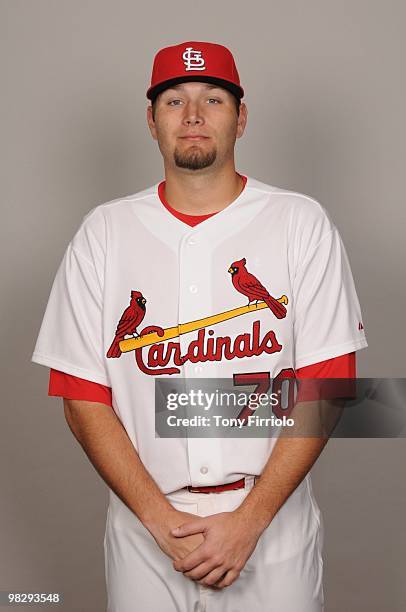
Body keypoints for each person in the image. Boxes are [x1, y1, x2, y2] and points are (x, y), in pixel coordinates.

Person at [32, 40, 368, 611]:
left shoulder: (298, 221)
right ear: (151, 121)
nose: (192, 115)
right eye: (173, 101)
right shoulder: (104, 232)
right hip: (146, 529)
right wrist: (160, 522)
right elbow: (81, 396)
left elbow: (328, 383)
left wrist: (249, 521)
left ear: (241, 118)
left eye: (213, 99)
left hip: (271, 525)